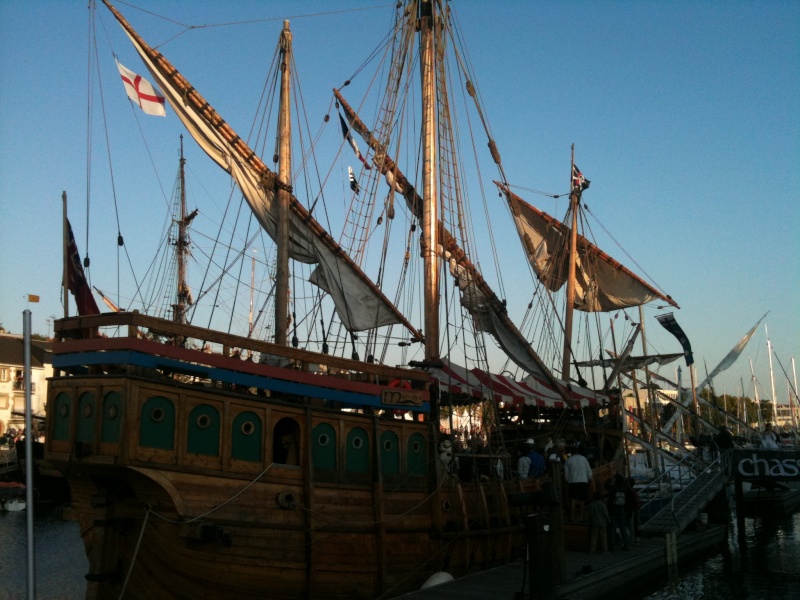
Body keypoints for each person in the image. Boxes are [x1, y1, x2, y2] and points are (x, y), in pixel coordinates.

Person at [564, 447, 593, 521]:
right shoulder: (583, 459)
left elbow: (566, 474)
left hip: (573, 482)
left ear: (571, 452)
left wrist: (568, 481)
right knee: (582, 501)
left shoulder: (568, 460)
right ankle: (581, 517)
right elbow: (589, 471)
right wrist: (589, 479)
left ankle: (572, 518)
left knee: (573, 500)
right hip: (583, 481)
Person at [609, 473, 631, 551]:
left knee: (613, 528)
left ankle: (612, 545)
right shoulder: (624, 488)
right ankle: (626, 544)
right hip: (622, 508)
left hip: (614, 509)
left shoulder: (613, 488)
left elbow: (610, 496)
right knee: (623, 527)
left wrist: (610, 480)